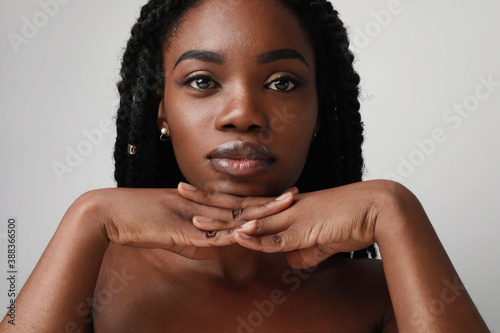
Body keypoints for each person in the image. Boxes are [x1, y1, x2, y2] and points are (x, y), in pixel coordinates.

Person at [1, 0, 490, 332]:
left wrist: (396, 210)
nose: (243, 115)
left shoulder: (384, 295)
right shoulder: (87, 281)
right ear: (161, 112)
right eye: (201, 81)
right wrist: (87, 218)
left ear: (321, 111)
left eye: (282, 83)